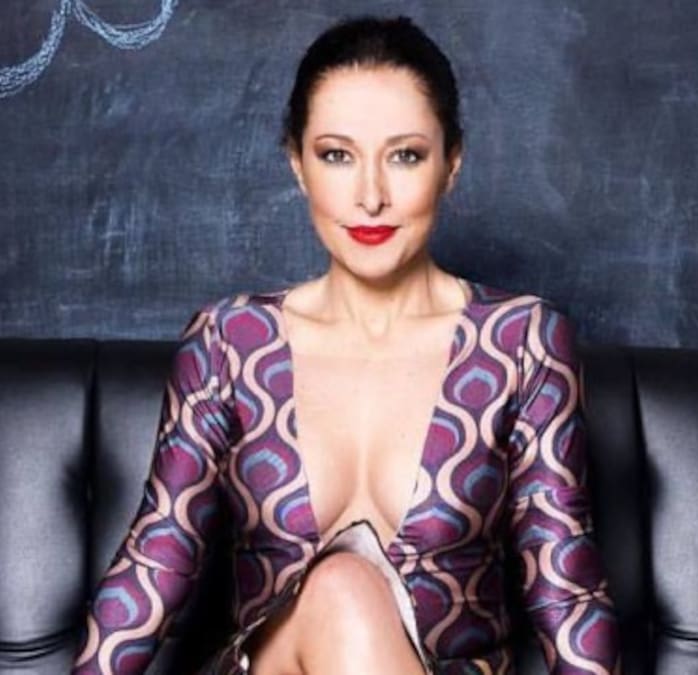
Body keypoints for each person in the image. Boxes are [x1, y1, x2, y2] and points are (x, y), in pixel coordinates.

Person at [73, 15, 619, 675]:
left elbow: (566, 587)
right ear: (297, 165)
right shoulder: (229, 343)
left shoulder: (521, 342)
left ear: (451, 165)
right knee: (341, 590)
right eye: (337, 155)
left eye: (405, 155)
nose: (370, 197)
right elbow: (159, 557)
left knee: (347, 592)